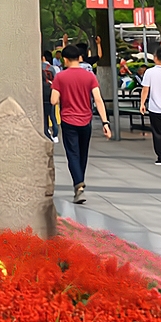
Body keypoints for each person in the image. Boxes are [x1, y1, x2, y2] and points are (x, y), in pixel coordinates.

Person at [51, 43, 111, 203]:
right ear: (79, 58)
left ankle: (78, 184)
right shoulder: (90, 76)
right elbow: (98, 99)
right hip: (86, 120)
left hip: (68, 120)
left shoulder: (60, 77)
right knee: (83, 154)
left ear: (64, 59)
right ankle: (80, 185)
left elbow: (53, 100)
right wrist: (105, 122)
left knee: (73, 154)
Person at [41, 47, 61, 140]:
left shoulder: (38, 67)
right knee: (52, 115)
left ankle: (46, 132)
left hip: (42, 93)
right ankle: (55, 134)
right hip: (51, 92)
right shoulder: (52, 68)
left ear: (43, 57)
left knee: (44, 115)